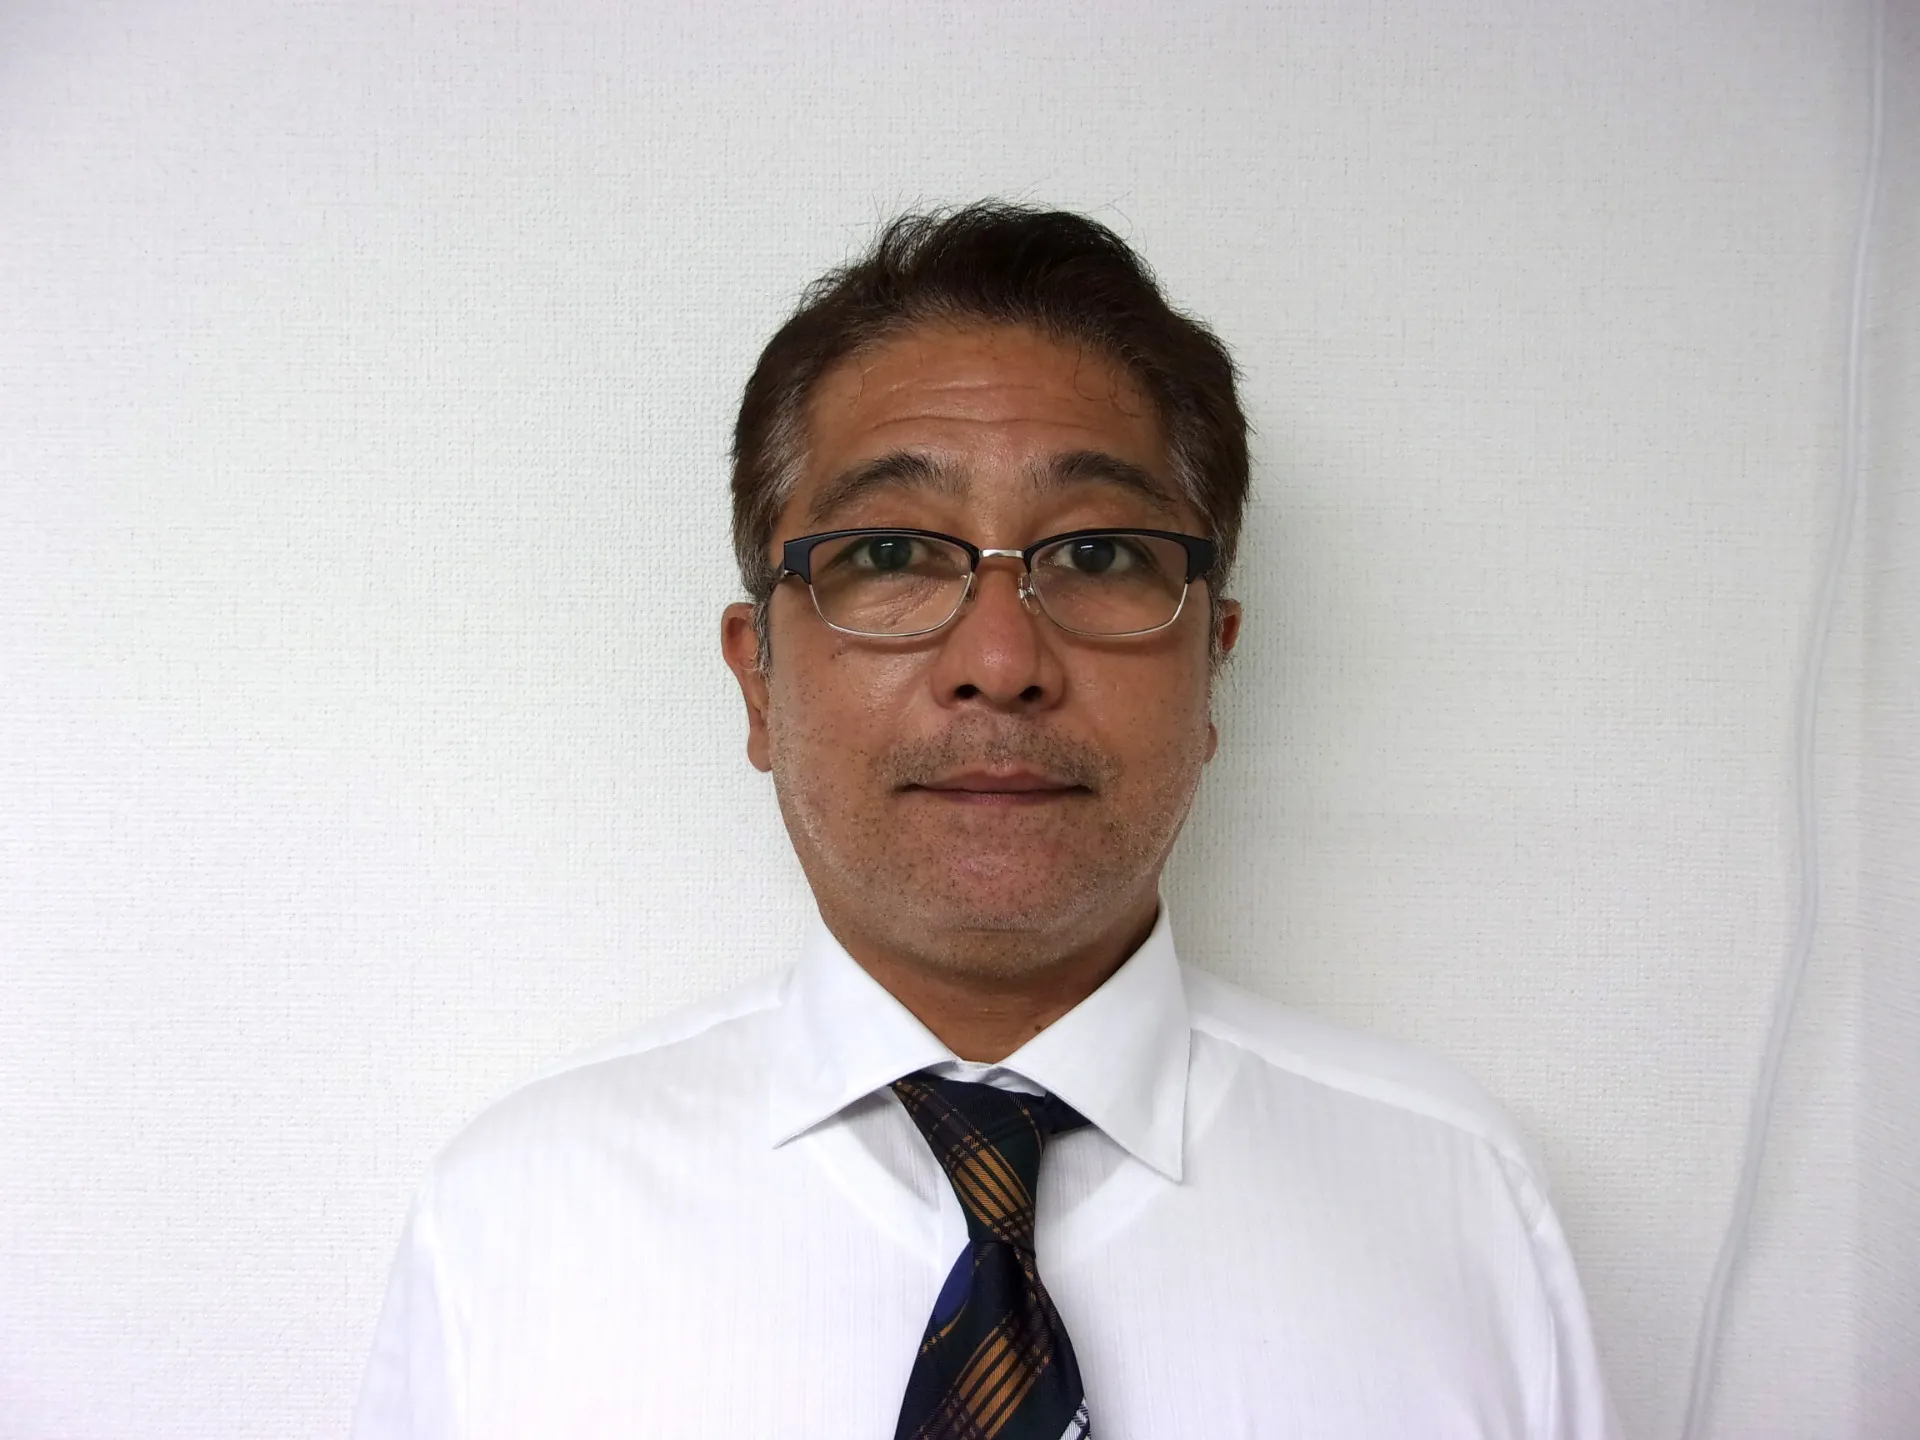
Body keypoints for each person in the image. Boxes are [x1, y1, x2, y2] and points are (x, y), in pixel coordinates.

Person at [352, 203, 1622, 1439]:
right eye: (891, 555)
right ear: (759, 682)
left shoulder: (1458, 1205)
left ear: (1213, 668)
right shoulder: (515, 1220)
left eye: (1099, 554)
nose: (1002, 662)